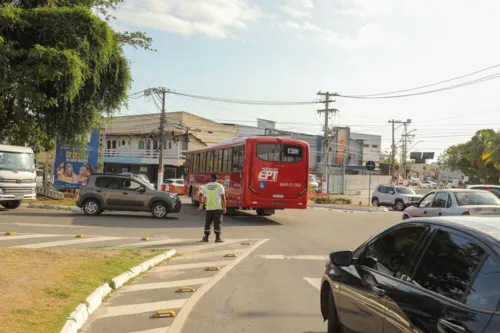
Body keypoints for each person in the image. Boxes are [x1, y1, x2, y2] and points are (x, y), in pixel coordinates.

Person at [199, 173, 226, 243]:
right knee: (217, 222)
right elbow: (223, 198)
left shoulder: (206, 186)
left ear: (211, 178)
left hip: (209, 208)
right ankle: (217, 238)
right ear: (217, 179)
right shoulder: (220, 186)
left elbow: (200, 195)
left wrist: (201, 203)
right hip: (217, 208)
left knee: (208, 223)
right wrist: (224, 207)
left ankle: (206, 238)